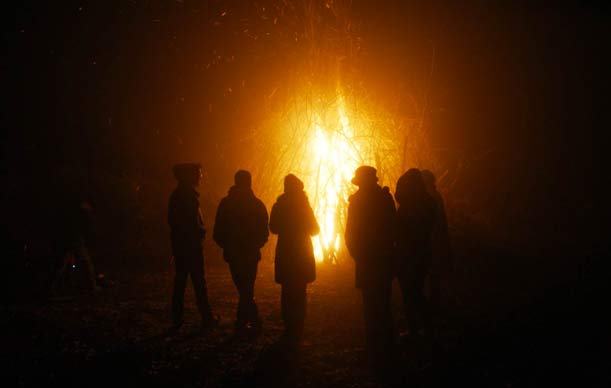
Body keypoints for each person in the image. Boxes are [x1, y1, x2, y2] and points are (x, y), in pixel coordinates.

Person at [344, 166, 396, 370]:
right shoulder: (385, 199)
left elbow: (350, 234)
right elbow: (394, 228)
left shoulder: (356, 202)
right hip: (382, 259)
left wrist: (358, 255)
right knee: (383, 302)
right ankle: (387, 346)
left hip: (367, 260)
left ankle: (374, 346)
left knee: (370, 305)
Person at [213, 170, 269, 331]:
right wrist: (256, 245)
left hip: (233, 254)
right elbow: (264, 232)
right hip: (251, 254)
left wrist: (228, 246)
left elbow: (217, 232)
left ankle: (244, 320)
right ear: (249, 182)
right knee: (247, 288)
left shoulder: (226, 204)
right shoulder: (257, 204)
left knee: (243, 287)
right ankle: (250, 319)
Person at [269, 174, 319, 344]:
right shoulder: (304, 206)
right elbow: (315, 229)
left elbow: (273, 227)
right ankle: (298, 323)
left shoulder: (279, 205)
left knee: (287, 289)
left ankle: (289, 323)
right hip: (302, 251)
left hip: (286, 251)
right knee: (300, 288)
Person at [168, 163, 218, 331]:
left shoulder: (179, 195)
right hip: (191, 247)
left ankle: (177, 318)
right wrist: (200, 233)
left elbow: (174, 223)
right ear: (189, 176)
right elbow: (189, 224)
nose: (200, 177)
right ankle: (206, 318)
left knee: (181, 282)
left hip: (182, 246)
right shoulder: (188, 197)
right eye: (198, 174)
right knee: (198, 282)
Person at [395, 168, 437, 336]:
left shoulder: (410, 207)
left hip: (409, 256)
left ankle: (419, 327)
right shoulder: (428, 203)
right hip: (422, 254)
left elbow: (400, 230)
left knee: (411, 292)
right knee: (416, 290)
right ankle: (423, 326)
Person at [421, 169, 452, 318]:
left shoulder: (430, 198)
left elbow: (434, 224)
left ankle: (432, 313)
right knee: (434, 278)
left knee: (431, 278)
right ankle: (434, 311)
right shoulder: (435, 196)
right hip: (435, 243)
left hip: (432, 244)